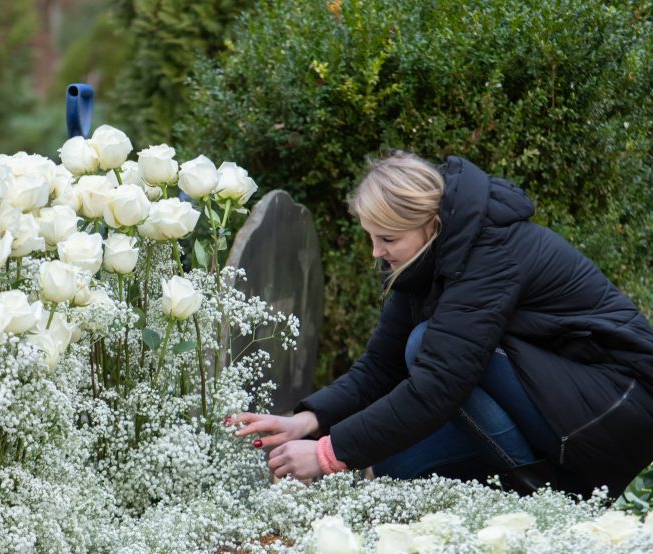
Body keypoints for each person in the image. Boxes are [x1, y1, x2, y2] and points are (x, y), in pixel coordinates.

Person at [231, 152, 653, 499]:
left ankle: (550, 500)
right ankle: (529, 492)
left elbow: (439, 384)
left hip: (619, 405)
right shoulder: (423, 260)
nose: (377, 252)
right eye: (371, 237)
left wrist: (327, 453)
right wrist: (307, 421)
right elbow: (380, 367)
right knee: (396, 467)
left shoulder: (491, 252)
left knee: (426, 345)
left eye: (389, 239)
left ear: (430, 223)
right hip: (560, 397)